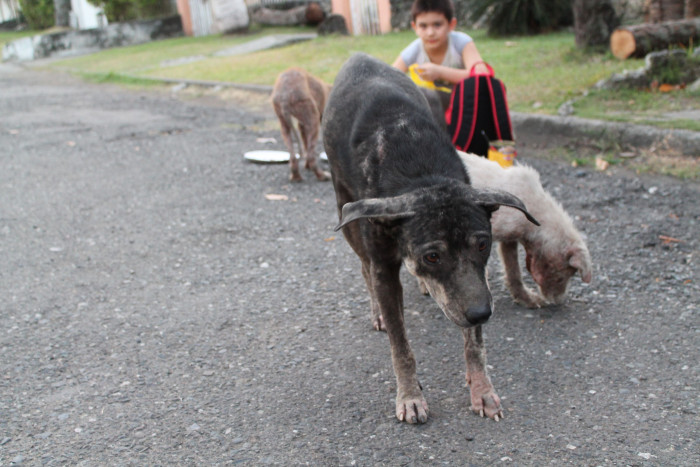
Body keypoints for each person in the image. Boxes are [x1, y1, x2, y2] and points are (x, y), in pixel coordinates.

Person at [392, 0, 488, 91]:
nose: (430, 33)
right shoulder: (414, 50)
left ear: (451, 24)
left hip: (465, 102)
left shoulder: (461, 42)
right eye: (423, 26)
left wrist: (440, 73)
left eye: (437, 25)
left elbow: (482, 76)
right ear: (415, 27)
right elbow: (389, 78)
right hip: (431, 105)